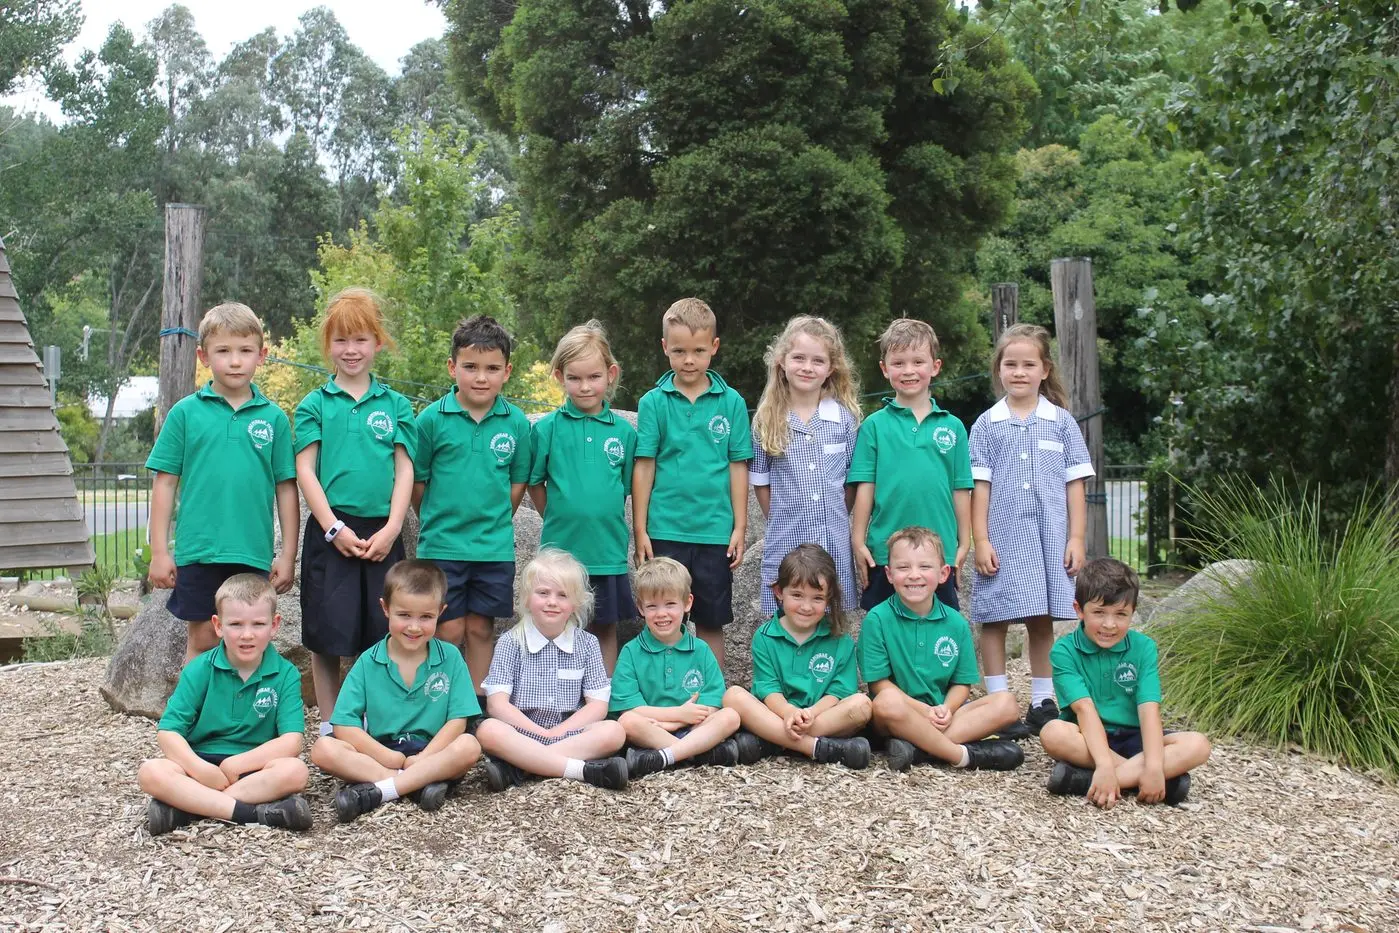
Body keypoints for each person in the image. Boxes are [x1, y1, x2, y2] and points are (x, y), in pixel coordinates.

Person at [146, 302, 299, 664]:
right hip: (199, 549)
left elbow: (286, 489)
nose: (235, 361)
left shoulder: (274, 419)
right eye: (223, 351)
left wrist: (288, 555)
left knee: (249, 638)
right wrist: (159, 552)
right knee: (202, 637)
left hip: (251, 552)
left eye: (245, 351)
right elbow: (164, 484)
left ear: (261, 356)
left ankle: (245, 703)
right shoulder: (185, 414)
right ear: (203, 356)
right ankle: (197, 702)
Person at [294, 288, 418, 734]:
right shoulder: (314, 404)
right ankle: (331, 723)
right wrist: (333, 528)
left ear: (378, 343)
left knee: (382, 632)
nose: (351, 350)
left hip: (382, 533)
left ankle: (375, 721)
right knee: (326, 633)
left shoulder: (396, 405)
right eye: (341, 340)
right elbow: (305, 470)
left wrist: (393, 528)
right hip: (332, 534)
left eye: (361, 339)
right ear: (328, 344)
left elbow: (405, 470)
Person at [970, 323, 1094, 739]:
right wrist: (981, 539)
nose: (1019, 372)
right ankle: (998, 703)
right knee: (996, 617)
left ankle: (1043, 701)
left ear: (1045, 370)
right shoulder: (986, 425)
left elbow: (1075, 485)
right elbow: (979, 487)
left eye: (1028, 364)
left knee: (1041, 617)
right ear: (999, 369)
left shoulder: (1061, 423)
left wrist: (1076, 538)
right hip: (1003, 538)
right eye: (1011, 364)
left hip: (1049, 538)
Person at [413, 315, 532, 709]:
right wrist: (438, 519)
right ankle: (442, 706)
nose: (481, 377)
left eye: (492, 369)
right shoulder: (431, 420)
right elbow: (418, 483)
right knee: (447, 630)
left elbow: (517, 484)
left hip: (492, 548)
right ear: (453, 367)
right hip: (442, 545)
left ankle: (479, 708)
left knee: (481, 628)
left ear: (507, 372)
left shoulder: (516, 423)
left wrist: (492, 519)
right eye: (471, 367)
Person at [137, 574, 312, 835]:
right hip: (201, 765)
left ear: (274, 625)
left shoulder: (286, 673)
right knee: (151, 772)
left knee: (295, 771)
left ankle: (189, 807)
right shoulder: (199, 669)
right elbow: (169, 732)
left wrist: (236, 764)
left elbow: (292, 741)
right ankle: (250, 813)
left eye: (258, 624)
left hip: (253, 767)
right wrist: (201, 770)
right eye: (236, 624)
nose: (247, 635)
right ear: (218, 626)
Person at [312, 560, 484, 822]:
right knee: (323, 748)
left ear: (441, 612)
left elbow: (457, 721)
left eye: (426, 617)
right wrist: (389, 757)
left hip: (433, 752)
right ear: (385, 608)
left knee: (469, 745)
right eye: (404, 615)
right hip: (381, 754)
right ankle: (413, 785)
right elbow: (344, 725)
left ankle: (382, 790)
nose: (414, 627)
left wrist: (424, 758)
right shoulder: (369, 661)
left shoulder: (450, 657)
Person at [633, 297, 753, 669]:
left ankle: (713, 692)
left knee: (711, 619)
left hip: (714, 531)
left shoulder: (731, 402)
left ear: (714, 347)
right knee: (665, 617)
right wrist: (640, 529)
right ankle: (663, 688)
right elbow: (645, 466)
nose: (689, 360)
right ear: (664, 347)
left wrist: (740, 526)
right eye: (680, 351)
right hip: (665, 528)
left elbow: (737, 466)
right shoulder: (653, 402)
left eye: (698, 351)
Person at [1041, 559, 1211, 807]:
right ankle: (1151, 780)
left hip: (1135, 739)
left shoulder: (1144, 648)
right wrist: (1104, 763)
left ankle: (1091, 782)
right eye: (1099, 613)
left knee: (1198, 745)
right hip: (1087, 739)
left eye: (1121, 614)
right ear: (1079, 609)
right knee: (1053, 733)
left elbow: (1149, 709)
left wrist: (1154, 766)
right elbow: (1084, 709)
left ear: (1133, 611)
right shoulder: (1064, 651)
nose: (1109, 625)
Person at [861, 527, 1024, 772]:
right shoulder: (877, 619)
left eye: (925, 567)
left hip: (942, 715)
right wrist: (924, 711)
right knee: (885, 702)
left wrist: (947, 708)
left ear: (943, 573)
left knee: (1007, 703)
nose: (914, 575)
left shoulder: (956, 623)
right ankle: (961, 755)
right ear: (889, 574)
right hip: (897, 715)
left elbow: (961, 684)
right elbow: (879, 686)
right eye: (903, 567)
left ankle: (917, 750)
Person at [528, 320, 637, 672]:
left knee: (604, 627)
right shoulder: (547, 429)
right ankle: (557, 694)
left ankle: (603, 695)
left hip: (607, 552)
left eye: (594, 377)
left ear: (610, 374)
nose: (585, 386)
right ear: (560, 377)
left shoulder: (624, 433)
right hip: (560, 554)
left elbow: (624, 488)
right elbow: (535, 483)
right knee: (559, 625)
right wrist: (556, 515)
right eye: (574, 378)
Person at [475, 549, 629, 791]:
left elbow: (598, 705)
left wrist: (557, 733)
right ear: (527, 598)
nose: (552, 602)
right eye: (543, 593)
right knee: (488, 730)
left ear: (576, 603)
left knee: (614, 731)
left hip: (570, 733)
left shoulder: (587, 644)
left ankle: (520, 768)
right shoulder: (510, 642)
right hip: (521, 734)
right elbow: (497, 705)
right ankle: (583, 771)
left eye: (562, 595)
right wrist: (540, 733)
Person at [849, 318, 971, 615]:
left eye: (918, 362)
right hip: (885, 553)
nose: (908, 370)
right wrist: (858, 540)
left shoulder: (953, 426)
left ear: (935, 366)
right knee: (882, 627)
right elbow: (865, 486)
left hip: (938, 552)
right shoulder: (874, 426)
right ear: (884, 368)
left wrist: (964, 543)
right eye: (898, 363)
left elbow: (961, 488)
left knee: (940, 626)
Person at [722, 544, 872, 768]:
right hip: (779, 712)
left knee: (862, 705)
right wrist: (789, 712)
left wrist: (810, 714)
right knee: (733, 696)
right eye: (797, 595)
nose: (806, 606)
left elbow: (839, 691)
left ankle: (773, 741)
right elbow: (768, 688)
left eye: (817, 598)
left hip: (821, 716)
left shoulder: (841, 639)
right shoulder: (765, 637)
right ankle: (818, 748)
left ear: (829, 598)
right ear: (779, 592)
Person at [749, 316, 861, 616]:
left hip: (832, 539)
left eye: (818, 360)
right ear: (782, 361)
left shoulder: (844, 420)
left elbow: (852, 480)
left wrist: (837, 513)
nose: (807, 367)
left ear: (831, 368)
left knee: (830, 616)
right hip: (788, 538)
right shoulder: (767, 420)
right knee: (788, 614)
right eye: (798, 358)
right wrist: (781, 516)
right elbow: (761, 482)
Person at [612, 557, 747, 778]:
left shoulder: (701, 649)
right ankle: (698, 753)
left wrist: (680, 722)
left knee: (731, 716)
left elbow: (713, 702)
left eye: (670, 604)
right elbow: (630, 709)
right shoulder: (631, 651)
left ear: (687, 602)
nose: (661, 613)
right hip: (654, 729)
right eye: (652, 606)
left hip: (695, 727)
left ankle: (667, 756)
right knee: (627, 722)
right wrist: (677, 716)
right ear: (640, 608)